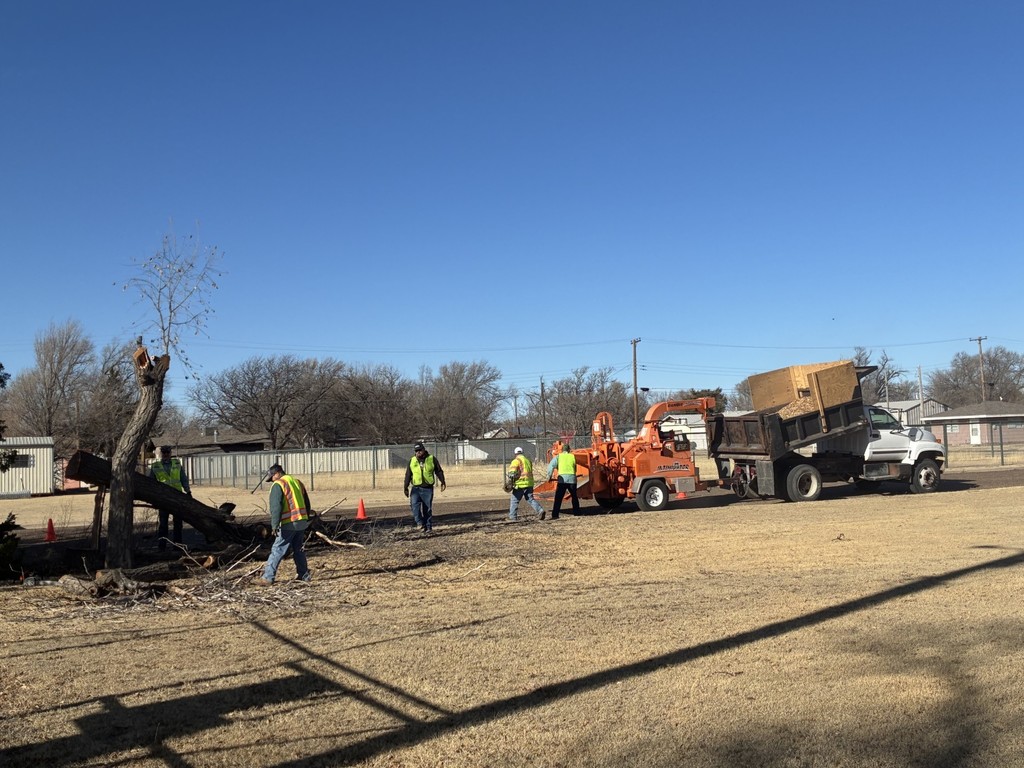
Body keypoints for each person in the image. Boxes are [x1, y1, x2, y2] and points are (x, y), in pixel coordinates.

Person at [255, 463, 312, 585]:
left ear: (277, 473)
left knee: (278, 549)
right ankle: (304, 575)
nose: (272, 481)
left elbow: (276, 507)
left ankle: (268, 577)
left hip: (289, 522)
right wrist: (306, 519)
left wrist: (274, 525)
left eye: (272, 478)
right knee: (299, 549)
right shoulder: (297, 482)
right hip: (301, 521)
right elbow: (307, 503)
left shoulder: (279, 484)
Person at [149, 445, 191, 550]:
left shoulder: (177, 464)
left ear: (170, 453)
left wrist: (188, 491)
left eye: (168, 453)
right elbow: (151, 483)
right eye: (164, 453)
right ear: (161, 454)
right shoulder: (155, 466)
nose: (166, 455)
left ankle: (178, 546)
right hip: (163, 498)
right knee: (163, 524)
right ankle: (162, 546)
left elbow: (183, 478)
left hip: (177, 497)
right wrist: (153, 498)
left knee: (178, 523)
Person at [403, 442, 446, 533]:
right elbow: (408, 474)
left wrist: (443, 481)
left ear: (424, 449)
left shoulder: (431, 459)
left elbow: (438, 471)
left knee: (427, 509)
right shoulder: (412, 460)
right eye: (416, 451)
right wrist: (405, 487)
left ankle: (428, 527)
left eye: (420, 450)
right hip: (416, 488)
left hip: (428, 488)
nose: (418, 452)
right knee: (414, 506)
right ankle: (420, 523)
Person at [508, 447, 546, 521]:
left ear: (515, 453)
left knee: (514, 500)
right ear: (522, 452)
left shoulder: (516, 461)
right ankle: (540, 510)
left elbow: (512, 473)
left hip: (520, 484)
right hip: (530, 483)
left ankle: (512, 517)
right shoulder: (528, 461)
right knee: (530, 499)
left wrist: (510, 479)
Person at [545, 443, 579, 518]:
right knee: (574, 496)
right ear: (569, 450)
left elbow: (551, 466)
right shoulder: (572, 456)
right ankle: (577, 513)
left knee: (558, 498)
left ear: (562, 450)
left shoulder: (559, 457)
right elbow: (575, 467)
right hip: (572, 479)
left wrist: (549, 476)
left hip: (562, 480)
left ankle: (555, 514)